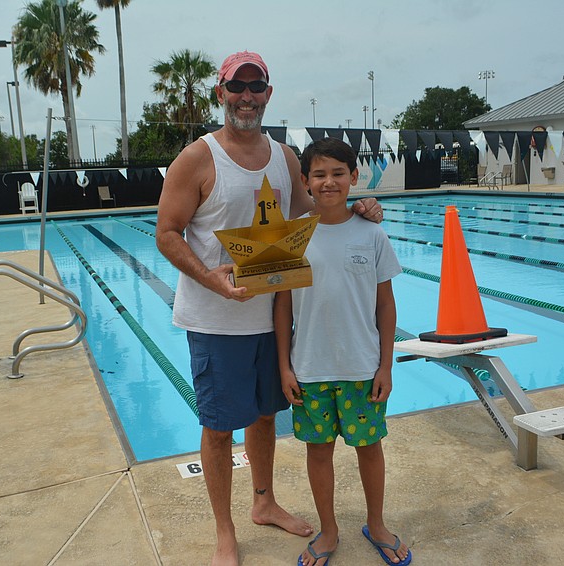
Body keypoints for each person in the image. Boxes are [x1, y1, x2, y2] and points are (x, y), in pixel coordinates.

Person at [155, 51, 384, 566]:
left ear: (268, 94)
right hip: (216, 321)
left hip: (273, 320)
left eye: (257, 87)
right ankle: (224, 532)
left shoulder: (284, 158)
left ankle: (264, 503)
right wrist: (211, 279)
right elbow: (166, 234)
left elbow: (314, 215)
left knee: (264, 417)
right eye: (237, 87)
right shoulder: (198, 157)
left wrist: (360, 208)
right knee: (218, 428)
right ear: (221, 93)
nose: (247, 97)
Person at [274, 137, 411, 566]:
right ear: (305, 181)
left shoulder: (371, 234)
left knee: (370, 448)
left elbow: (385, 304)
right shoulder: (292, 237)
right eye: (319, 174)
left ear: (354, 178)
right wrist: (284, 366)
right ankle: (328, 531)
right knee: (319, 451)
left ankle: (377, 522)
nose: (329, 182)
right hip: (311, 367)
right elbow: (282, 307)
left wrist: (386, 365)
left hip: (361, 367)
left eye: (338, 173)